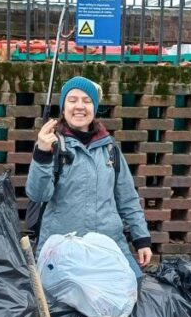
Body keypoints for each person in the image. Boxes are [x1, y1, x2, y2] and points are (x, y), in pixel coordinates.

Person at [26, 76, 152, 277]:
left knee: (129, 293)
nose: (79, 106)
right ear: (63, 106)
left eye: (86, 101)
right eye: (72, 100)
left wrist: (141, 239)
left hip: (108, 249)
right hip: (62, 252)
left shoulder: (110, 148)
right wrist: (42, 153)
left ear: (94, 107)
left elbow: (127, 199)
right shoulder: (50, 145)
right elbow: (38, 194)